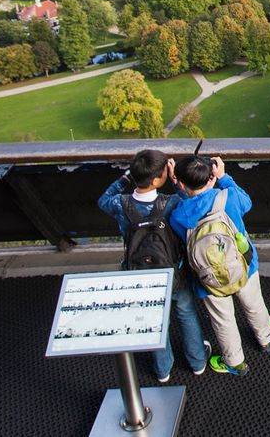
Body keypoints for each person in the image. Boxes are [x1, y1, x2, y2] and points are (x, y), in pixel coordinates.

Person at [97, 149, 210, 382]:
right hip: (173, 271)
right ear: (160, 177)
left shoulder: (120, 204)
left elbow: (102, 201)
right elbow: (194, 202)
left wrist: (125, 179)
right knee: (185, 311)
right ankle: (197, 361)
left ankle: (163, 369)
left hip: (139, 275)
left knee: (154, 320)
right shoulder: (172, 203)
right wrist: (178, 181)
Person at [167, 154, 270, 376]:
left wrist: (179, 186)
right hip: (244, 265)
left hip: (207, 279)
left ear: (180, 182)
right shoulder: (228, 197)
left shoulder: (178, 215)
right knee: (254, 304)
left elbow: (187, 226)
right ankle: (265, 338)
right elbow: (247, 202)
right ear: (211, 178)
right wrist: (224, 176)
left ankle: (235, 361)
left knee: (223, 319)